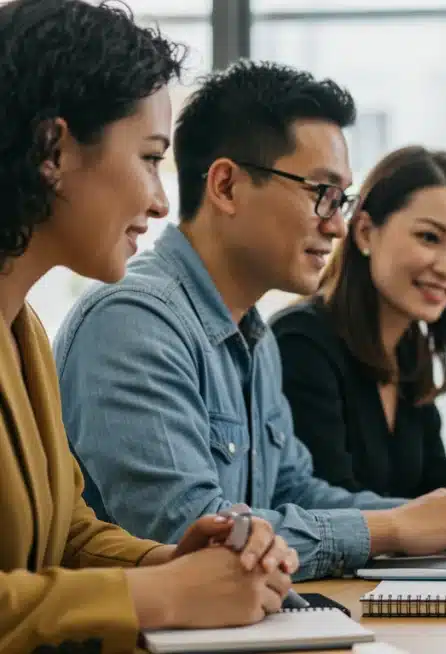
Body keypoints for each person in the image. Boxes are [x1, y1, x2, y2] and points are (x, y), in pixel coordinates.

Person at [54, 60, 446, 584]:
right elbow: (188, 534)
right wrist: (388, 529)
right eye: (320, 192)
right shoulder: (134, 322)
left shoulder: (253, 336)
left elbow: (293, 491)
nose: (338, 224)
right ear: (226, 186)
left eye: (340, 199)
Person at [0, 2, 297, 650]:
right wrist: (154, 595)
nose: (161, 201)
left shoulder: (23, 331)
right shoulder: (123, 319)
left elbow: (67, 532)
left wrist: (166, 563)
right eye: (149, 157)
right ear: (53, 149)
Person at [270, 146, 446, 501]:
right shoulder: (300, 343)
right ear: (366, 233)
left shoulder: (409, 349)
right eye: (429, 238)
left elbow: (437, 487)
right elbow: (322, 503)